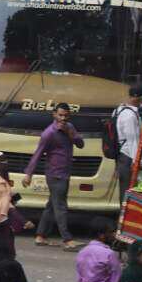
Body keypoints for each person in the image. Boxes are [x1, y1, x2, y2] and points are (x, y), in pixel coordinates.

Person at [23, 103, 82, 250]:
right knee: (60, 206)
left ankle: (40, 236)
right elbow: (37, 154)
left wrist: (69, 132)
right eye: (60, 115)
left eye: (66, 116)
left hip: (65, 172)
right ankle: (67, 239)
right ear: (54, 115)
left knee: (51, 205)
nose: (63, 118)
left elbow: (80, 144)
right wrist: (28, 174)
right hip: (55, 174)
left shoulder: (70, 127)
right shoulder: (49, 133)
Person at [114, 84, 142, 197]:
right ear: (139, 97)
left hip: (123, 157)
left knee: (125, 191)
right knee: (128, 192)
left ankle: (123, 214)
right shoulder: (129, 116)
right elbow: (133, 141)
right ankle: (124, 214)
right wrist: (138, 162)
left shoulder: (120, 109)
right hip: (129, 158)